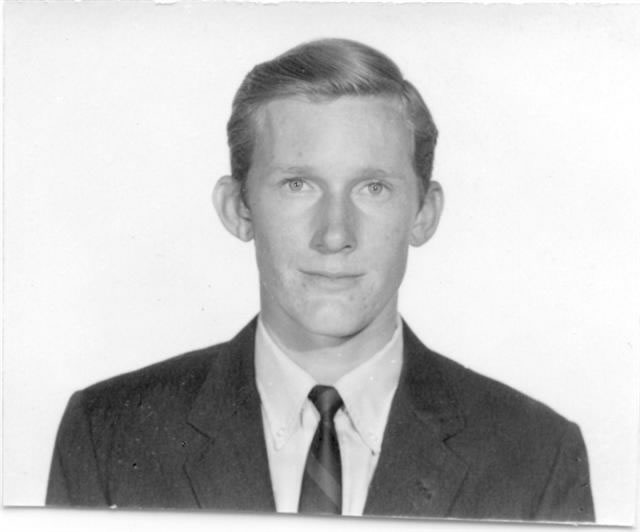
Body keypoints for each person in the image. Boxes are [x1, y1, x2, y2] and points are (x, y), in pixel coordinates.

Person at [46, 38, 594, 522]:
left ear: (424, 214)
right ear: (238, 208)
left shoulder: (537, 454)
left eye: (373, 188)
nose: (335, 234)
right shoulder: (107, 434)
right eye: (298, 184)